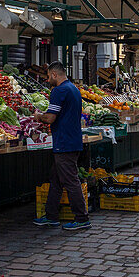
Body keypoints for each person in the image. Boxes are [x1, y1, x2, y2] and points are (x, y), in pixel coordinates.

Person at [32, 61, 90, 231]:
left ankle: (82, 218)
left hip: (64, 142)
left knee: (71, 181)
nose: (48, 79)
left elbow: (50, 118)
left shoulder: (59, 91)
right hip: (72, 140)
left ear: (55, 75)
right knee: (56, 179)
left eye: (49, 76)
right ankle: (51, 216)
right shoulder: (73, 88)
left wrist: (38, 116)